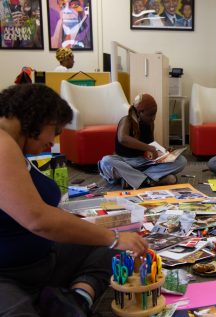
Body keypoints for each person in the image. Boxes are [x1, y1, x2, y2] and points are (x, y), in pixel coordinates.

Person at [0, 84, 148, 317]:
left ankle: (76, 299)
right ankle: (64, 300)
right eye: (55, 129)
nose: (53, 141)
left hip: (42, 261)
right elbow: (38, 219)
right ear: (39, 118)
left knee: (107, 247)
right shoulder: (2, 144)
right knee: (112, 241)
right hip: (8, 276)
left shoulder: (16, 146)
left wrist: (110, 239)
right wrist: (114, 238)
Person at [99, 93, 187, 189]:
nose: (153, 118)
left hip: (143, 163)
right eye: (150, 115)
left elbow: (151, 145)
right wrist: (148, 148)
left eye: (155, 114)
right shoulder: (126, 120)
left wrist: (164, 152)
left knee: (181, 161)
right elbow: (122, 138)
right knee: (106, 161)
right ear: (140, 112)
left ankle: (135, 179)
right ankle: (149, 180)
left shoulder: (150, 123)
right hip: (125, 162)